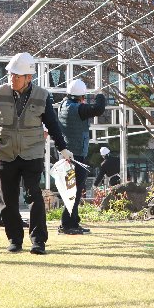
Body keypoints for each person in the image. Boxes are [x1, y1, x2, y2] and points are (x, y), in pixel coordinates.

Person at [0, 52, 71, 255]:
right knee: (7, 200)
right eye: (10, 74)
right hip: (5, 152)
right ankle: (14, 239)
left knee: (34, 196)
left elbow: (52, 124)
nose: (12, 78)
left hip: (32, 153)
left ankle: (38, 241)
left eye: (17, 75)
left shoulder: (42, 96)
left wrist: (62, 147)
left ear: (29, 77)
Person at [57, 79, 107, 235]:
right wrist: (100, 95)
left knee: (71, 191)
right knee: (75, 191)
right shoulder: (77, 108)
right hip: (76, 154)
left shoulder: (63, 106)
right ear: (81, 97)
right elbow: (98, 109)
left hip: (67, 153)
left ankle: (72, 222)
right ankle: (68, 225)